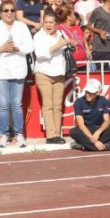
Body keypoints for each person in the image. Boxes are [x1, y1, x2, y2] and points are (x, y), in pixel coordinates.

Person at [0, 0, 33, 148]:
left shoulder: (22, 26)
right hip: (1, 71)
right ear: (1, 13)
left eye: (12, 10)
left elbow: (30, 46)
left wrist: (17, 48)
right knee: (3, 105)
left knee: (17, 104)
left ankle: (19, 134)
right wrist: (1, 49)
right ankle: (4, 134)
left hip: (18, 69)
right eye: (6, 10)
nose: (9, 13)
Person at [32, 11, 73, 144]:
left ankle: (57, 133)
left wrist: (71, 44)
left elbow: (67, 48)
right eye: (46, 22)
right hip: (43, 72)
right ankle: (51, 135)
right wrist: (58, 45)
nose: (48, 25)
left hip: (59, 73)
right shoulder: (38, 36)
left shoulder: (61, 33)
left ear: (56, 24)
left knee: (57, 105)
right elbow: (40, 54)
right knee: (48, 104)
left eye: (51, 22)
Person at [69, 78, 110, 151]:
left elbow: (107, 121)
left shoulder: (103, 100)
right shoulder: (79, 102)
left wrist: (98, 132)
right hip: (86, 130)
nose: (87, 94)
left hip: (99, 129)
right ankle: (102, 146)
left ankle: (85, 146)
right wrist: (94, 140)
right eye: (86, 91)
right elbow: (81, 124)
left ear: (98, 92)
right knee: (73, 131)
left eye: (91, 92)